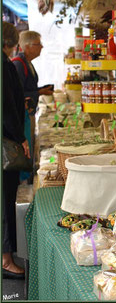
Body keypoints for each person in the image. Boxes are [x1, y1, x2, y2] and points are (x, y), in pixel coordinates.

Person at [2, 22, 30, 278]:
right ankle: (6, 260)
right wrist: (21, 137)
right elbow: (7, 108)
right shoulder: (4, 65)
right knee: (4, 200)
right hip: (5, 143)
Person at [12, 31, 53, 168]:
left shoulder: (27, 62)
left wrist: (40, 90)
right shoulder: (18, 64)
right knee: (25, 145)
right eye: (38, 44)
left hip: (28, 112)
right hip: (22, 113)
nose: (41, 47)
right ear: (27, 47)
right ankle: (24, 173)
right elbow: (18, 92)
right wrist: (40, 91)